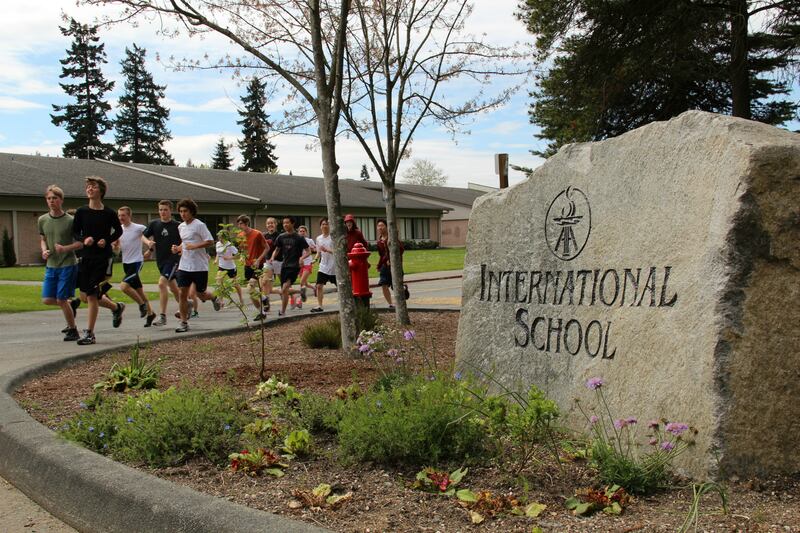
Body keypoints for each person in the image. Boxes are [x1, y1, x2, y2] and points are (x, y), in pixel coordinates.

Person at [72, 176, 125, 345]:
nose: (89, 189)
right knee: (85, 296)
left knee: (92, 295)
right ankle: (116, 307)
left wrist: (107, 240)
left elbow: (118, 231)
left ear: (101, 191)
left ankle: (89, 333)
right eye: (88, 186)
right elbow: (75, 232)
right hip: (85, 257)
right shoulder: (81, 212)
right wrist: (84, 239)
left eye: (93, 186)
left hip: (102, 258)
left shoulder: (109, 213)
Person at [38, 185, 82, 341]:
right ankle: (72, 304)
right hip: (51, 264)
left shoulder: (71, 221)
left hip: (68, 264)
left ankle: (73, 330)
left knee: (61, 299)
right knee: (47, 299)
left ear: (61, 200)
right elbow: (42, 239)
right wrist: (44, 250)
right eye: (49, 198)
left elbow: (80, 243)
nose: (51, 201)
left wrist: (65, 248)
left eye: (54, 198)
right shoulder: (42, 220)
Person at [172, 198, 221, 333]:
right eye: (181, 211)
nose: (183, 214)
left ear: (192, 211)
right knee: (182, 293)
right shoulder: (181, 226)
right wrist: (177, 248)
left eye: (185, 211)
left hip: (199, 266)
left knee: (201, 294)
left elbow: (210, 241)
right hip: (184, 265)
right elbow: (185, 242)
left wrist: (195, 246)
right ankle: (184, 322)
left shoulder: (199, 225)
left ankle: (213, 297)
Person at [115, 207, 157, 326]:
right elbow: (117, 250)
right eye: (119, 215)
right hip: (126, 263)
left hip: (137, 262)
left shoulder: (139, 228)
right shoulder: (119, 230)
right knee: (139, 291)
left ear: (129, 216)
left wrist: (150, 248)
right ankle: (150, 313)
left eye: (123, 215)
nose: (121, 218)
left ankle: (142, 305)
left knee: (124, 287)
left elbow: (148, 237)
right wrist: (115, 247)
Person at [143, 200, 181, 326]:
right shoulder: (154, 224)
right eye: (160, 210)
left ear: (171, 210)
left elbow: (185, 240)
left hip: (173, 260)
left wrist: (179, 249)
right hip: (161, 260)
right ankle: (186, 304)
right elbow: (142, 236)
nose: (162, 212)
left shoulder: (178, 225)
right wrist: (149, 245)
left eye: (165, 209)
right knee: (174, 288)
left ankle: (163, 316)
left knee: (161, 284)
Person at [268, 216, 309, 316]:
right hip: (284, 266)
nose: (285, 225)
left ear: (292, 223)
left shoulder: (299, 238)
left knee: (285, 288)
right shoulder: (281, 237)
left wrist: (301, 258)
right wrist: (272, 257)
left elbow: (308, 251)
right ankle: (300, 291)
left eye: (287, 223)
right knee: (284, 290)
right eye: (283, 223)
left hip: (294, 266)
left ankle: (282, 311)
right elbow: (277, 249)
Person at [235, 214, 269, 320]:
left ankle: (263, 305)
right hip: (247, 265)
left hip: (258, 265)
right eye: (238, 224)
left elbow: (267, 248)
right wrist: (242, 256)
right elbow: (242, 250)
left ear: (246, 223)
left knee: (249, 289)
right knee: (251, 291)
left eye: (241, 223)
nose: (239, 226)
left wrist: (258, 260)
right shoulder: (240, 236)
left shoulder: (257, 234)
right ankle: (263, 304)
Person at [376, 218, 404, 309]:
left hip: (395, 266)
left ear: (387, 227)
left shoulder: (392, 238)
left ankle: (400, 303)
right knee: (383, 284)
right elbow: (381, 255)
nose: (380, 228)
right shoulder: (379, 241)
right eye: (378, 226)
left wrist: (392, 260)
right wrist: (379, 265)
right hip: (385, 267)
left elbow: (401, 250)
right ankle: (391, 304)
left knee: (397, 286)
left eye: (382, 225)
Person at [310, 217, 335, 313]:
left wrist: (327, 250)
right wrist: (315, 259)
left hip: (334, 267)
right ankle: (320, 306)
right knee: (319, 286)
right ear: (320, 226)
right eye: (323, 224)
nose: (325, 226)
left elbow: (337, 252)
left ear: (329, 225)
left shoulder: (333, 237)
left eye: (326, 224)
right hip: (323, 266)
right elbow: (318, 252)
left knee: (341, 286)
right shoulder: (318, 238)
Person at [215, 228, 244, 307]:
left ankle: (241, 299)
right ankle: (221, 301)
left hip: (231, 267)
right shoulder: (217, 244)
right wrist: (216, 259)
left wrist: (229, 258)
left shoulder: (230, 245)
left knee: (235, 284)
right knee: (219, 281)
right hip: (221, 266)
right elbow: (218, 252)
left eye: (221, 237)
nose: (219, 238)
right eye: (219, 237)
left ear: (225, 237)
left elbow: (238, 255)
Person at [260, 216, 281, 314]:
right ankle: (267, 304)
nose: (270, 225)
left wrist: (273, 257)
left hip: (279, 262)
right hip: (268, 262)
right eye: (268, 223)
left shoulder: (279, 236)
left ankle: (293, 295)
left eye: (272, 223)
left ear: (275, 224)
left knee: (285, 284)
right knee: (264, 282)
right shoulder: (264, 236)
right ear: (266, 225)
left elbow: (278, 249)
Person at [296, 224, 317, 305]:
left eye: (303, 231)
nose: (302, 233)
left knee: (302, 281)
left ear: (306, 232)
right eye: (300, 231)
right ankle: (314, 288)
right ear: (298, 232)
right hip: (300, 264)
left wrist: (312, 248)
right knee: (305, 282)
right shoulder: (297, 241)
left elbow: (315, 249)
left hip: (308, 263)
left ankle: (300, 300)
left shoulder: (309, 240)